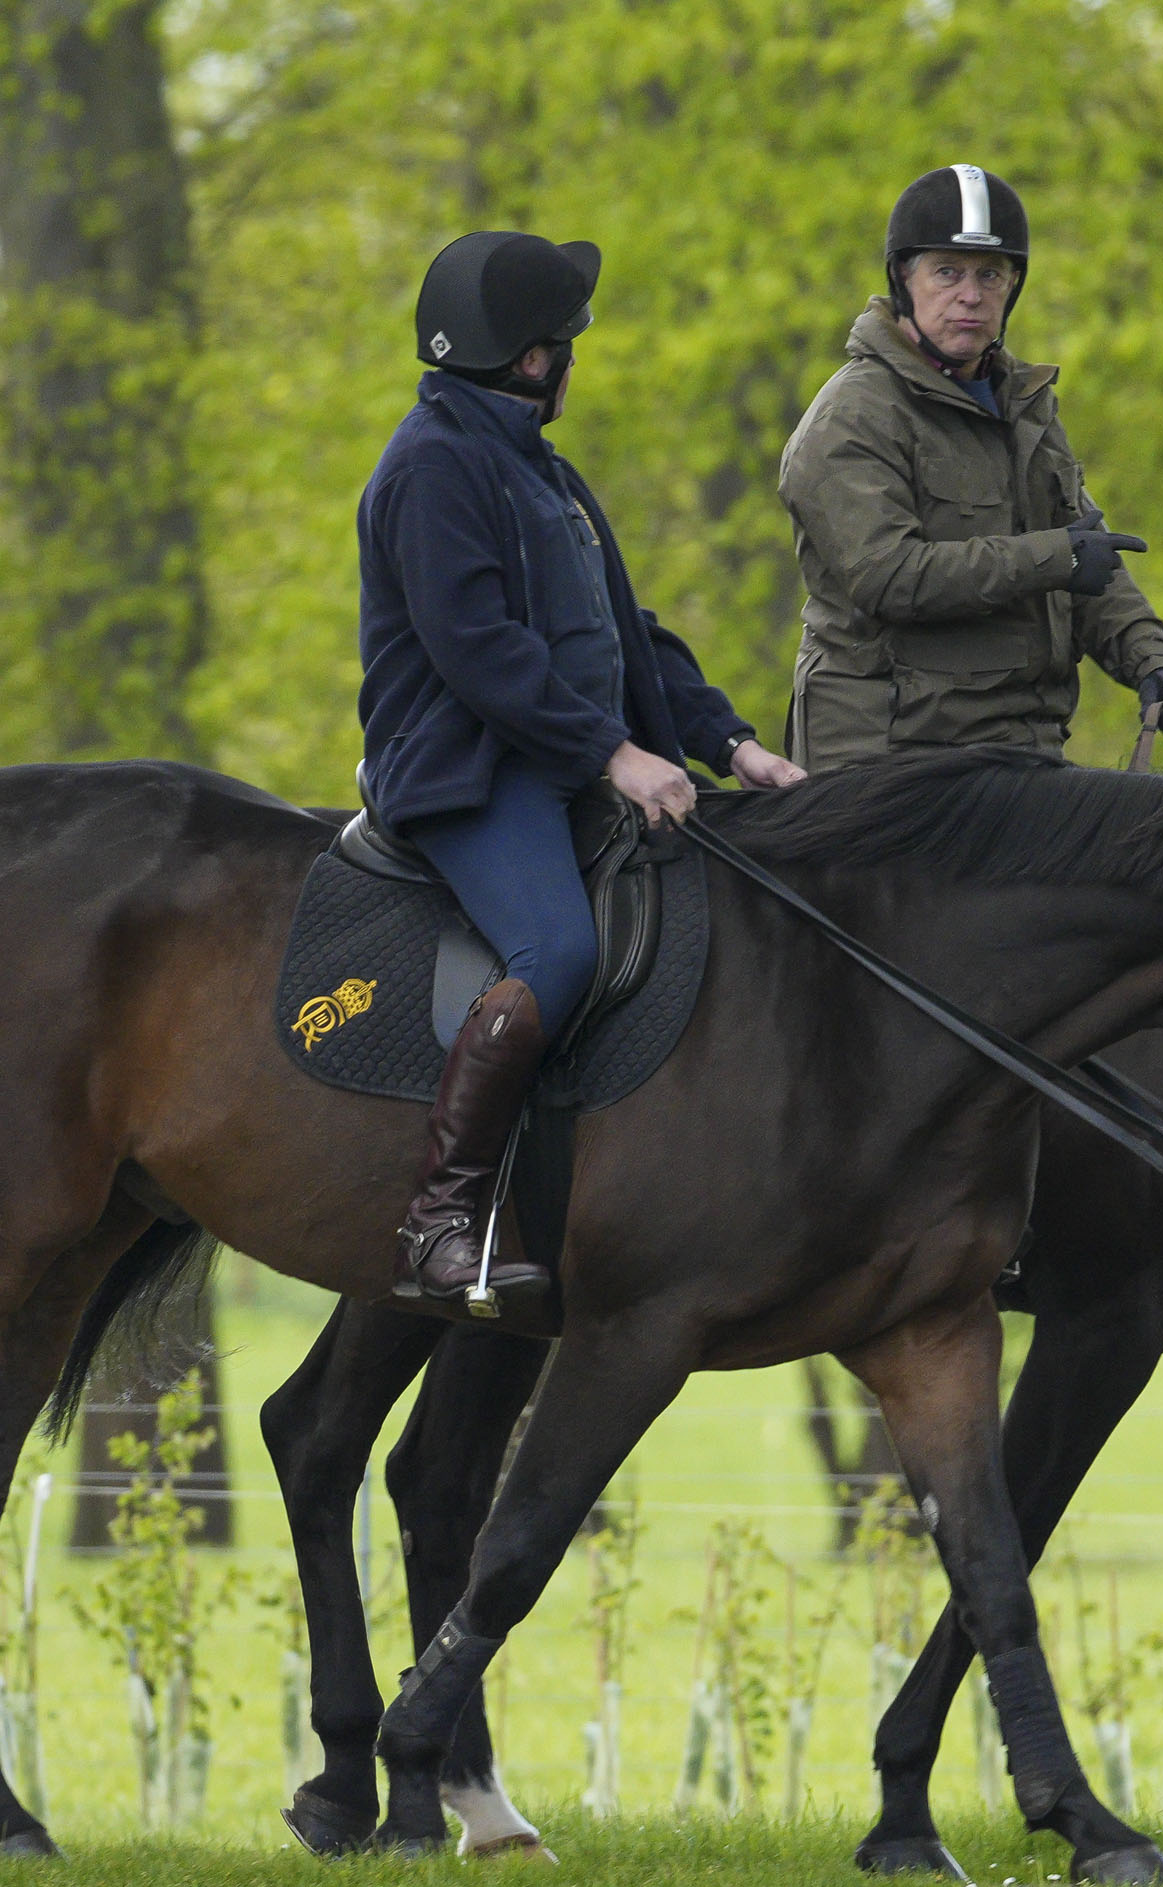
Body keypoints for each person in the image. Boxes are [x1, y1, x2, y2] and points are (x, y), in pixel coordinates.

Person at [360, 229, 805, 1312]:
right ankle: (440, 1221)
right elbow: (478, 651)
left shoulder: (537, 469)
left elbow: (625, 632)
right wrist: (614, 755)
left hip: (558, 757)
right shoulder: (429, 468)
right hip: (470, 769)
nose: (572, 363)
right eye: (566, 345)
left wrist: (731, 741)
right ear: (530, 361)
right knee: (556, 948)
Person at [776, 165, 1163, 770]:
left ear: (1013, 288)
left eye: (990, 276)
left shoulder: (1023, 406)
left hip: (1021, 748)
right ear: (903, 280)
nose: (970, 295)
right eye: (947, 272)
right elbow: (890, 577)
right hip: (892, 760)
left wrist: (1152, 660)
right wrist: (1057, 557)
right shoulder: (851, 416)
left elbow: (1090, 554)